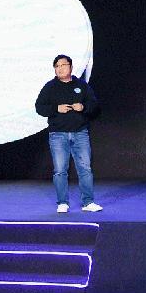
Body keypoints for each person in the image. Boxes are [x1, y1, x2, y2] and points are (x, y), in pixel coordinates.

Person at [35, 54, 102, 213]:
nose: (60, 68)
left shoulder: (82, 85)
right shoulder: (50, 87)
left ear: (71, 67)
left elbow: (94, 105)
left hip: (80, 133)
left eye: (63, 65)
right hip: (58, 135)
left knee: (85, 168)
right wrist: (56, 109)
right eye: (57, 66)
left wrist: (83, 107)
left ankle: (88, 202)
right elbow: (39, 107)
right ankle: (62, 203)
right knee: (60, 170)